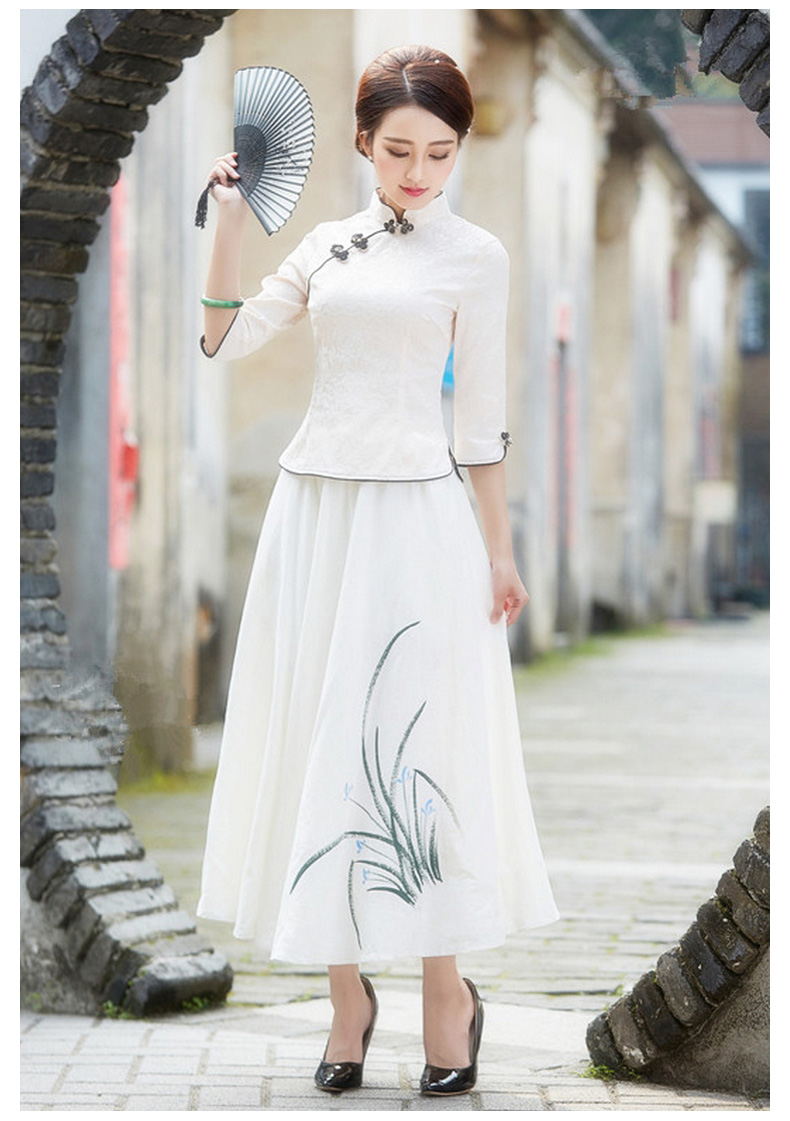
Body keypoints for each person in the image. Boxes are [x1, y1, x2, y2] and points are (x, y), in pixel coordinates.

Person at [196, 44, 559, 1097]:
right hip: (316, 513)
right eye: (399, 150)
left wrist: (499, 550)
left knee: (416, 742)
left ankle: (446, 989)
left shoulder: (476, 257)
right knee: (320, 733)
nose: (418, 172)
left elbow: (479, 421)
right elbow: (224, 340)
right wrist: (229, 222)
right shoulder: (325, 246)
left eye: (439, 152)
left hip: (418, 517)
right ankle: (345, 995)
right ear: (363, 143)